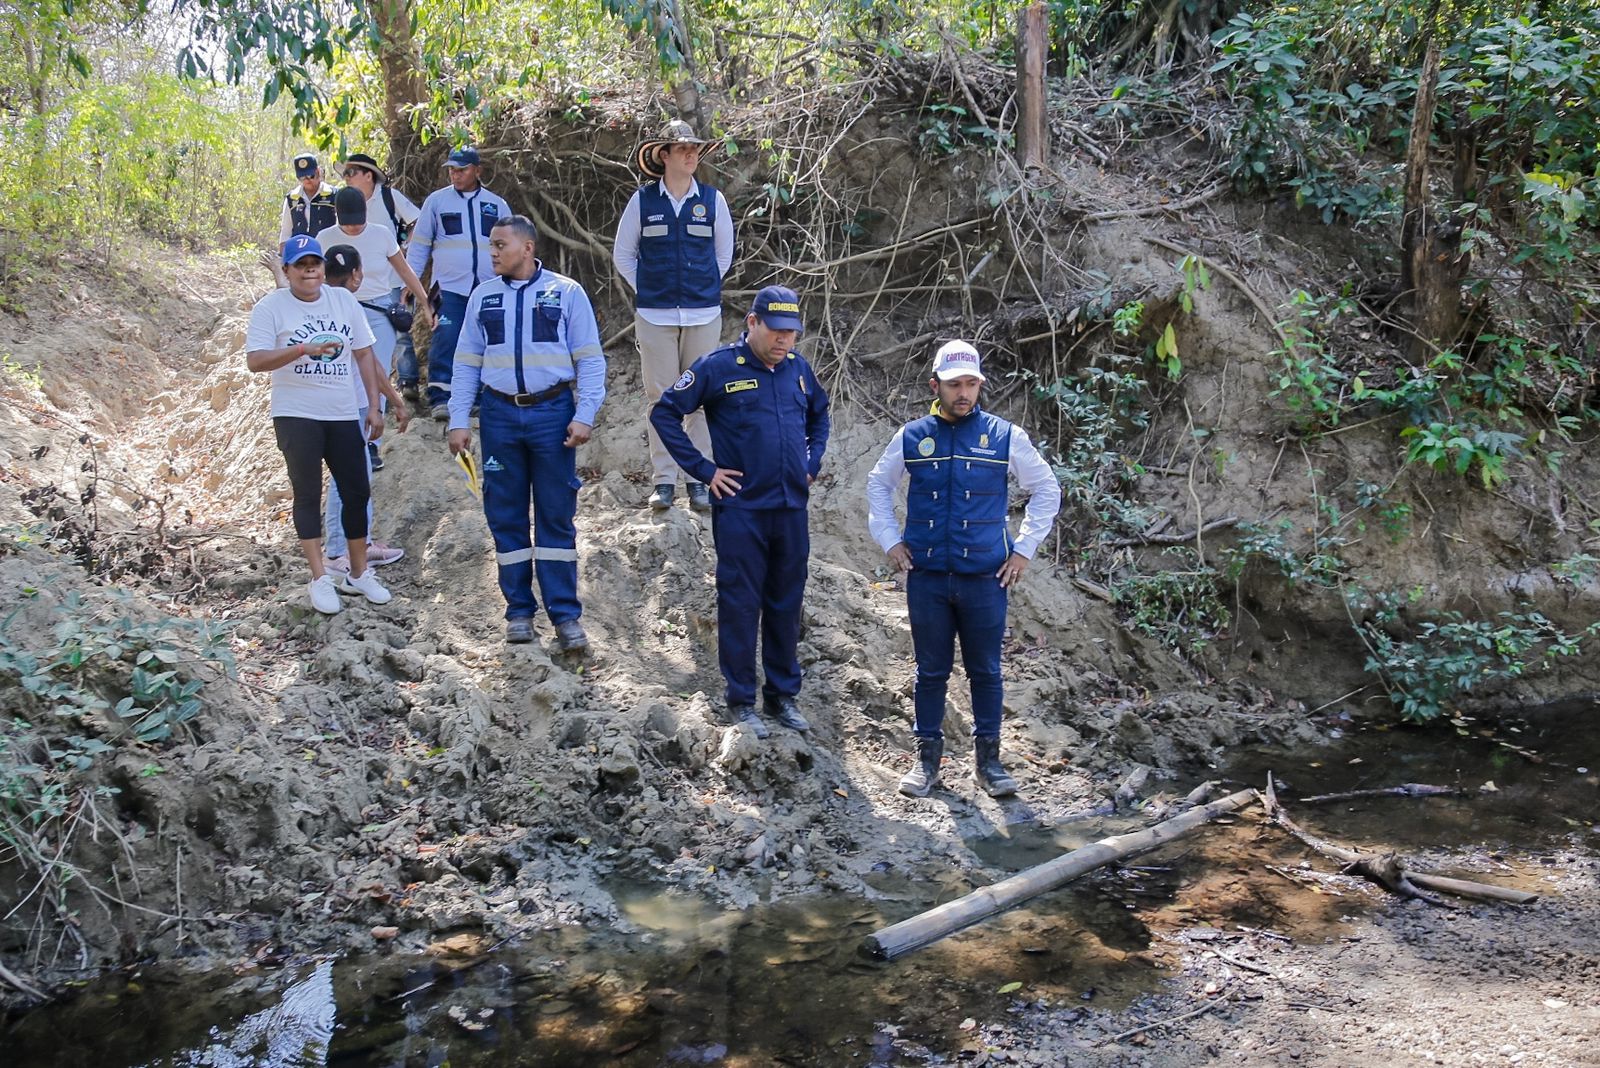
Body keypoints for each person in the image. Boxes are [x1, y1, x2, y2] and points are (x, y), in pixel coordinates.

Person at [865, 341, 1062, 798]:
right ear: (936, 385)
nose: (964, 393)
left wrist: (1025, 549)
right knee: (930, 671)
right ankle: (926, 762)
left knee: (986, 671)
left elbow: (1046, 489)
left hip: (986, 579)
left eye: (972, 384)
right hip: (928, 577)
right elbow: (879, 485)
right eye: (955, 385)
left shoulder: (1005, 435)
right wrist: (890, 541)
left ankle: (988, 765)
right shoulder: (912, 436)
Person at [649, 286, 831, 739]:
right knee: (740, 604)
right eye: (776, 330)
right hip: (742, 510)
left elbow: (820, 416)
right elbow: (665, 413)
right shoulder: (718, 367)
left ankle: (782, 696)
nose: (784, 340)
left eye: (792, 333)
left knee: (786, 604)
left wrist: (814, 460)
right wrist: (703, 470)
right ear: (752, 322)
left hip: (791, 508)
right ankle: (742, 701)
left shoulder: (798, 370)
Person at [445, 216, 606, 650]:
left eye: (500, 244)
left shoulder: (566, 293)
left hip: (553, 414)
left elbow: (590, 359)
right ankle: (518, 612)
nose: (493, 252)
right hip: (498, 416)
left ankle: (565, 616)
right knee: (505, 514)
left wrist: (585, 413)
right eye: (491, 245)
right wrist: (459, 418)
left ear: (528, 247)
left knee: (556, 515)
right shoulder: (484, 296)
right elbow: (466, 364)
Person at [245, 236, 410, 615]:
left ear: (323, 269)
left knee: (357, 490)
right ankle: (320, 577)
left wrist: (374, 406)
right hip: (296, 413)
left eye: (314, 264)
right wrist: (302, 349)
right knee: (307, 494)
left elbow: (364, 354)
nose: (309, 271)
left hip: (340, 412)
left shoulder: (343, 301)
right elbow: (256, 361)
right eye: (300, 265)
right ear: (286, 272)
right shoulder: (271, 308)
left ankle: (358, 572)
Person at [611, 119, 735, 513]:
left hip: (703, 315)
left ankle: (699, 479)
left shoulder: (712, 201)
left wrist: (699, 291)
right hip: (655, 317)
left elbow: (722, 257)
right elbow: (623, 256)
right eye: (683, 149)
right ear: (663, 155)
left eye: (695, 148)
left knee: (699, 398)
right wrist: (649, 291)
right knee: (660, 399)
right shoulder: (642, 202)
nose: (691, 154)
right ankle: (664, 481)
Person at [315, 187, 434, 472]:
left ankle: (371, 444)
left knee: (375, 374)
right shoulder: (324, 238)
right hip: (339, 310)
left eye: (358, 220)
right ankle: (346, 434)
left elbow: (405, 270)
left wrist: (426, 303)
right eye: (348, 222)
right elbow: (313, 277)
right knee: (346, 376)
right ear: (337, 216)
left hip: (378, 311)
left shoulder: (381, 234)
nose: (354, 227)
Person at [406, 146, 513, 420]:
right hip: (449, 287)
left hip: (488, 287)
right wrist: (411, 280)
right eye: (452, 169)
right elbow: (420, 245)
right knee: (446, 338)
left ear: (477, 170)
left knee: (485, 341)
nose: (455, 174)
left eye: (462, 169)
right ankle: (441, 397)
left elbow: (510, 243)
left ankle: (477, 397)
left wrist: (512, 281)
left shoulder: (496, 204)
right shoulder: (437, 202)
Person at [341, 153, 425, 403]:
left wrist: (406, 249)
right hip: (356, 284)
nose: (346, 178)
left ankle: (407, 382)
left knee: (399, 330)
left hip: (389, 280)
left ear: (368, 175)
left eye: (350, 172)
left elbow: (417, 220)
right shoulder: (345, 203)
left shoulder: (389, 197)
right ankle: (371, 388)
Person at [278, 153, 337, 253]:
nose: (307, 180)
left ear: (318, 171)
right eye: (303, 177)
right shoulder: (292, 198)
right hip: (299, 254)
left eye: (311, 175)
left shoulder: (334, 195)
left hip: (326, 251)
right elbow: (286, 232)